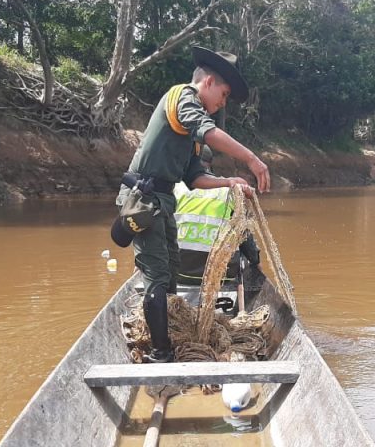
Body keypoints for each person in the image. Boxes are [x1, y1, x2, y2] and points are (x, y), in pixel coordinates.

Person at [110, 46, 270, 364]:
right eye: (223, 95)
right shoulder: (182, 97)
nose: (222, 104)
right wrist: (251, 159)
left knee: (169, 273)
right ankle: (160, 353)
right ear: (208, 82)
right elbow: (209, 132)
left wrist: (229, 182)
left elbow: (195, 177)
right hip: (144, 199)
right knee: (157, 276)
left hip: (163, 199)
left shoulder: (191, 133)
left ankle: (169, 334)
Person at [173, 145, 261, 288]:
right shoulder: (231, 191)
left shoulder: (175, 188)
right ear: (210, 164)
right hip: (222, 277)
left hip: (179, 274)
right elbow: (244, 236)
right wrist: (256, 262)